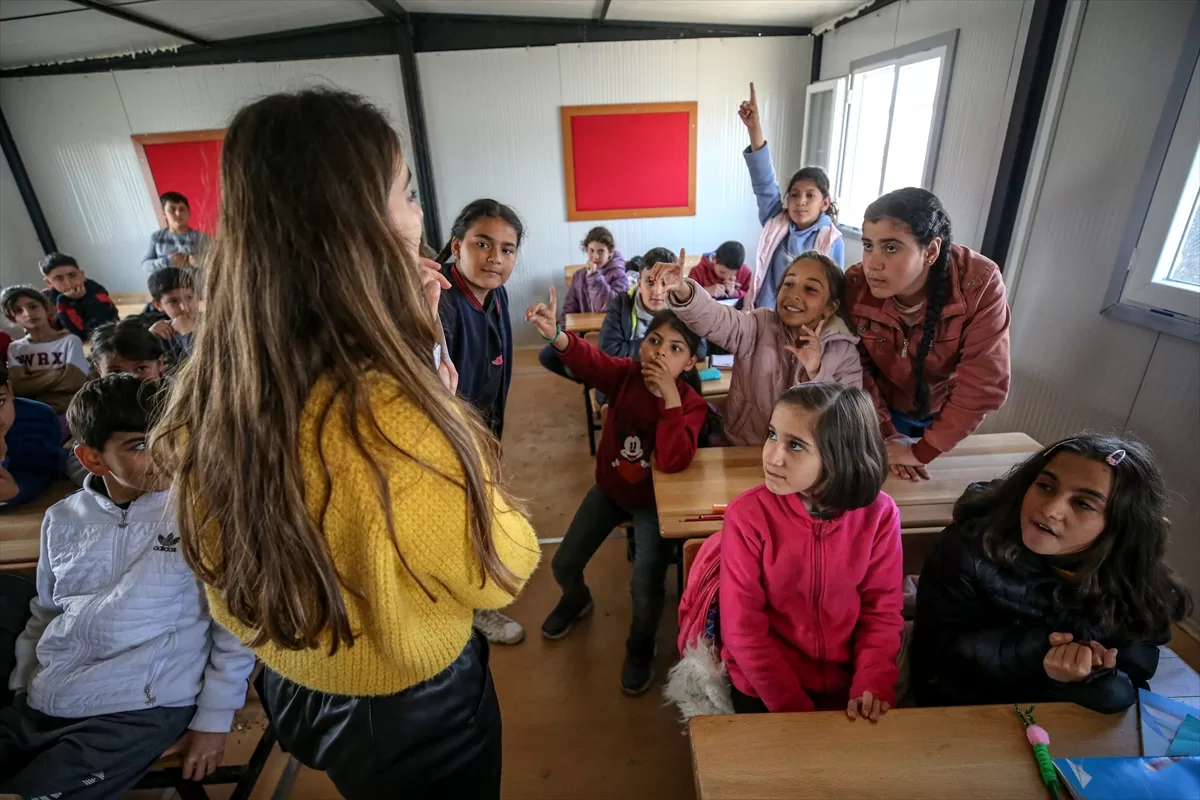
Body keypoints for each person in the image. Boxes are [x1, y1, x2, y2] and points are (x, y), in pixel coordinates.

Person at [149, 88, 539, 799]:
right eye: (406, 192)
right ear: (357, 223)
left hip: (295, 680)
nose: (417, 214)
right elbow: (502, 568)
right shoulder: (396, 421)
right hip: (411, 710)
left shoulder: (214, 388)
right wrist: (435, 393)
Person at [0, 374, 255, 797]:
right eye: (139, 444)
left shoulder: (205, 514)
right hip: (47, 698)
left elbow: (234, 629)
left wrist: (213, 721)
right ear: (92, 458)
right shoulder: (62, 518)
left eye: (172, 435)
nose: (166, 453)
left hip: (141, 707)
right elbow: (45, 612)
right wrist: (23, 685)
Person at [910, 435, 1192, 714]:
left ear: (1121, 526)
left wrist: (1088, 680)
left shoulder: (1143, 589)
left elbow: (1132, 690)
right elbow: (937, 654)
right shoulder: (969, 547)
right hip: (969, 710)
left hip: (1064, 720)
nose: (1050, 509)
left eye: (1083, 504)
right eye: (1045, 486)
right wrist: (1044, 650)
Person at [528, 288, 707, 695]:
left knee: (645, 589)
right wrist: (555, 334)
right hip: (609, 491)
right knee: (562, 564)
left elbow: (675, 459)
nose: (660, 353)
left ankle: (640, 646)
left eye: (675, 348)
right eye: (654, 341)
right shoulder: (625, 375)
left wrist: (671, 401)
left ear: (691, 362)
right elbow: (589, 360)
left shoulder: (691, 405)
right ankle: (577, 599)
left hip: (652, 506)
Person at [715, 383, 902, 717]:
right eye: (772, 435)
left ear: (840, 455)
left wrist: (872, 680)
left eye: (795, 445)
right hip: (767, 684)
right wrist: (794, 708)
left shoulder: (879, 515)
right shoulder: (747, 516)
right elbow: (743, 630)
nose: (772, 456)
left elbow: (881, 610)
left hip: (846, 681)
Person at [845, 187, 1011, 481]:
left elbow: (983, 382)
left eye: (891, 247)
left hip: (950, 414)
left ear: (931, 251)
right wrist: (885, 433)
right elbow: (855, 369)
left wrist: (925, 449)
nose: (872, 263)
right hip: (879, 410)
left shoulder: (978, 283)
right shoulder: (856, 285)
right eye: (868, 245)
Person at [651, 249, 861, 446]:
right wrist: (683, 289)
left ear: (830, 307)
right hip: (744, 447)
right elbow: (716, 318)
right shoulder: (758, 326)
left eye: (810, 289)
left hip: (809, 460)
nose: (793, 294)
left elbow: (848, 417)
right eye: (788, 284)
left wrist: (815, 371)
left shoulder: (844, 352)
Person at [738, 82, 844, 310]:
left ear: (825, 203)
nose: (801, 202)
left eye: (810, 196)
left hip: (803, 322)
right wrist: (754, 128)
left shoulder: (830, 240)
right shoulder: (777, 221)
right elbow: (763, 181)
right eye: (794, 195)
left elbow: (835, 292)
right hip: (764, 315)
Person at [435, 199, 522, 441]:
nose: (495, 258)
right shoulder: (438, 303)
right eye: (483, 244)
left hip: (487, 421)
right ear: (456, 247)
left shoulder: (497, 292)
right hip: (452, 436)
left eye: (507, 250)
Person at [539, 226, 629, 379]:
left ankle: (594, 382)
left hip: (610, 335)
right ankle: (589, 381)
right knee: (548, 355)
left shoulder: (620, 275)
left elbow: (607, 305)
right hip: (584, 334)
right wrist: (565, 337)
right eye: (591, 250)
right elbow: (569, 308)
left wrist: (594, 277)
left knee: (598, 358)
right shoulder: (579, 276)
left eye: (601, 251)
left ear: (610, 253)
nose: (595, 255)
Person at [1, 286, 89, 415]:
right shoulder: (16, 348)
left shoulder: (69, 341)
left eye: (33, 306)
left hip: (72, 410)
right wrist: (57, 373)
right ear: (12, 318)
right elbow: (18, 387)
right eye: (19, 311)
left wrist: (34, 382)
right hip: (36, 413)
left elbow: (73, 382)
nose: (28, 314)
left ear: (46, 309)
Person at [0, 365, 63, 508]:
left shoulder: (38, 419)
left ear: (10, 389)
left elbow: (45, 473)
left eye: (0, 402)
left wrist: (17, 491)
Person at [38, 252, 118, 342]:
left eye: (72, 275)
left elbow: (81, 337)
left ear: (82, 274)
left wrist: (63, 302)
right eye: (58, 278)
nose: (68, 283)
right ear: (49, 283)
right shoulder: (43, 299)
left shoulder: (98, 294)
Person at [142, 191, 212, 274]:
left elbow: (219, 264)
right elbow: (145, 265)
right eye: (172, 210)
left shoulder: (203, 238)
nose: (178, 213)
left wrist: (200, 262)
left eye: (181, 209)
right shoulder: (156, 237)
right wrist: (167, 261)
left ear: (189, 213)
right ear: (164, 214)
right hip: (166, 286)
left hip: (197, 286)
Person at [145, 267, 198, 366]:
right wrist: (149, 340)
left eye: (189, 298)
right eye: (173, 301)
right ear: (158, 305)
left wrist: (188, 334)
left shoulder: (215, 326)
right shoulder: (161, 333)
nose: (184, 308)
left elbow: (208, 365)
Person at [88, 319, 167, 380]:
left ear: (160, 364)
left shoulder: (177, 398)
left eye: (141, 368)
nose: (130, 379)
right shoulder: (87, 399)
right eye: (116, 372)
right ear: (99, 369)